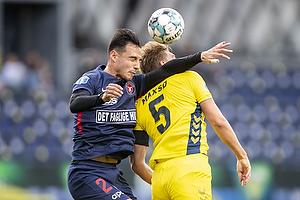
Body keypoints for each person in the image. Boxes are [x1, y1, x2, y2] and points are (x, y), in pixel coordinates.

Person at [67, 28, 233, 200]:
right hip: (86, 171)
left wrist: (199, 57)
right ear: (114, 56)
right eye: (132, 59)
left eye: (139, 60)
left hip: (113, 172)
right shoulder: (93, 79)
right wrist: (102, 98)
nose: (137, 66)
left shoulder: (135, 85)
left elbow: (167, 70)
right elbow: (75, 103)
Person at [130, 41, 251, 200]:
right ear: (164, 63)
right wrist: (241, 156)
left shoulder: (139, 104)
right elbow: (217, 121)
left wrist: (165, 182)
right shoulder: (189, 78)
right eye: (172, 56)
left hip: (159, 178)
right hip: (189, 167)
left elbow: (137, 164)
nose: (176, 58)